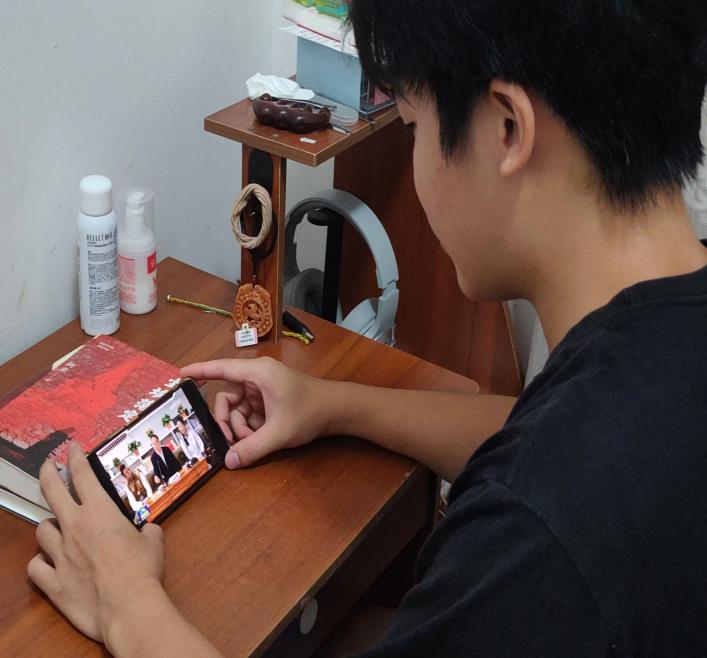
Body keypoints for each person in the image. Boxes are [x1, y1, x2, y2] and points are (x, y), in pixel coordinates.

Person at [27, 1, 707, 656]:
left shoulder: (534, 539)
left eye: (411, 127)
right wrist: (331, 404)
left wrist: (127, 606)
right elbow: (539, 431)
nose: (416, 163)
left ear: (507, 129)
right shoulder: (646, 365)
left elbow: (549, 473)